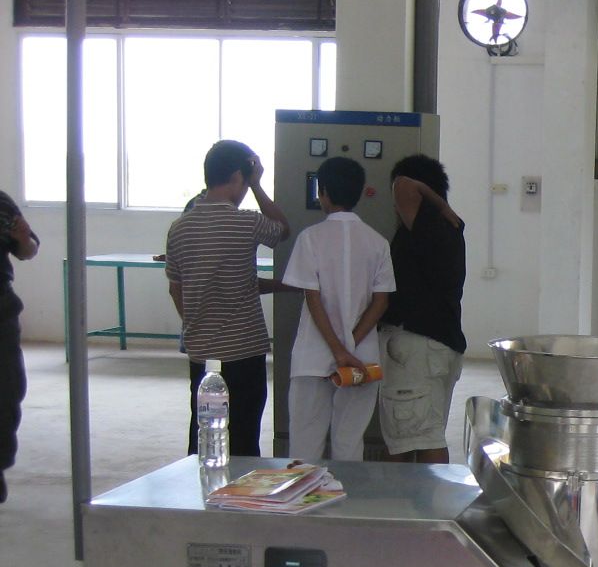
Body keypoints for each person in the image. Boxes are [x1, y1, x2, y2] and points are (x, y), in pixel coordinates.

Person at [164, 140, 290, 457]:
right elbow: (283, 230)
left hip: (202, 357)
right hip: (244, 354)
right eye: (246, 183)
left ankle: (201, 485)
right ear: (237, 177)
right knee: (244, 438)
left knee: (206, 434)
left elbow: (176, 288)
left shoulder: (179, 228)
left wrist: (195, 328)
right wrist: (259, 185)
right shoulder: (247, 222)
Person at [280, 157, 395, 462]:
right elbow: (381, 302)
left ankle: (307, 492)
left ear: (324, 192)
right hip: (362, 359)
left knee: (305, 444)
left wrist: (336, 349)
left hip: (314, 356)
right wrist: (349, 345)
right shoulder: (378, 243)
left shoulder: (310, 238)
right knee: (349, 443)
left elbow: (312, 297)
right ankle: (347, 491)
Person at [378, 153, 466, 464]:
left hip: (416, 347)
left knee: (412, 439)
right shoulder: (448, 227)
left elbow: (403, 184)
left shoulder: (430, 221)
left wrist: (436, 201)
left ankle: (406, 496)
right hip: (437, 345)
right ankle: (424, 495)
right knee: (423, 432)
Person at [0, 189, 40, 504]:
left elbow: (28, 250)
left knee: (8, 389)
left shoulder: (2, 204)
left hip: (1, 308)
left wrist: (23, 238)